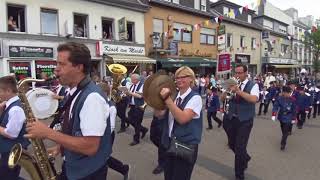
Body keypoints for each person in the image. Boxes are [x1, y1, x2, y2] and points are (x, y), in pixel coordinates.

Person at [25, 42, 112, 180]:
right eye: (57, 64)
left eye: (62, 64)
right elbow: (75, 129)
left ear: (79, 67)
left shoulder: (92, 98)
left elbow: (90, 147)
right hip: (74, 167)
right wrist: (61, 147)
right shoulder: (73, 91)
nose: (56, 70)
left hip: (87, 173)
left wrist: (47, 132)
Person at [155, 66, 203, 180]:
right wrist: (154, 100)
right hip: (169, 143)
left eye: (183, 77)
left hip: (185, 146)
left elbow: (182, 119)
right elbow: (159, 114)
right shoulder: (174, 96)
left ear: (191, 79)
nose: (179, 80)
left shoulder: (195, 98)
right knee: (168, 177)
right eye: (177, 77)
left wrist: (167, 99)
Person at [221, 64, 259, 180]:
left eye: (240, 73)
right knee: (232, 144)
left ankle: (239, 175)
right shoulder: (232, 83)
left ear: (246, 73)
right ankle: (245, 157)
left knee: (239, 148)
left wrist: (238, 91)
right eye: (236, 73)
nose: (237, 75)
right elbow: (222, 99)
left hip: (245, 120)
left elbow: (254, 99)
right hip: (230, 118)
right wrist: (226, 90)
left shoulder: (253, 85)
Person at [98, 83, 130, 180]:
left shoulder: (111, 107)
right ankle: (124, 169)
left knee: (102, 158)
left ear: (104, 93)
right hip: (98, 135)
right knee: (101, 158)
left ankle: (124, 169)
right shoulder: (98, 103)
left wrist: (99, 136)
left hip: (107, 135)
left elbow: (111, 127)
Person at [0, 75, 30, 179]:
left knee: (7, 177)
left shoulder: (15, 108)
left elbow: (11, 134)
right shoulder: (11, 105)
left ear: (8, 91)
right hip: (9, 150)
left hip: (11, 151)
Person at [125, 73, 148, 146]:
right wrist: (126, 93)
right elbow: (131, 94)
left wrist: (130, 93)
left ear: (136, 79)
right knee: (130, 119)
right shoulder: (132, 85)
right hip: (132, 106)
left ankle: (136, 139)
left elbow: (140, 96)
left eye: (132, 79)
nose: (131, 80)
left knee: (137, 123)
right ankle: (143, 129)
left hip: (139, 107)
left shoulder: (142, 85)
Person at [272, 86, 296, 150]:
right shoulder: (280, 98)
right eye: (284, 93)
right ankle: (284, 136)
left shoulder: (293, 100)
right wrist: (274, 114)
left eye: (287, 93)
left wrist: (293, 118)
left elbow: (294, 110)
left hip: (289, 117)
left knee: (285, 132)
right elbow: (276, 106)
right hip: (281, 116)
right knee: (283, 129)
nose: (286, 94)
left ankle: (283, 143)